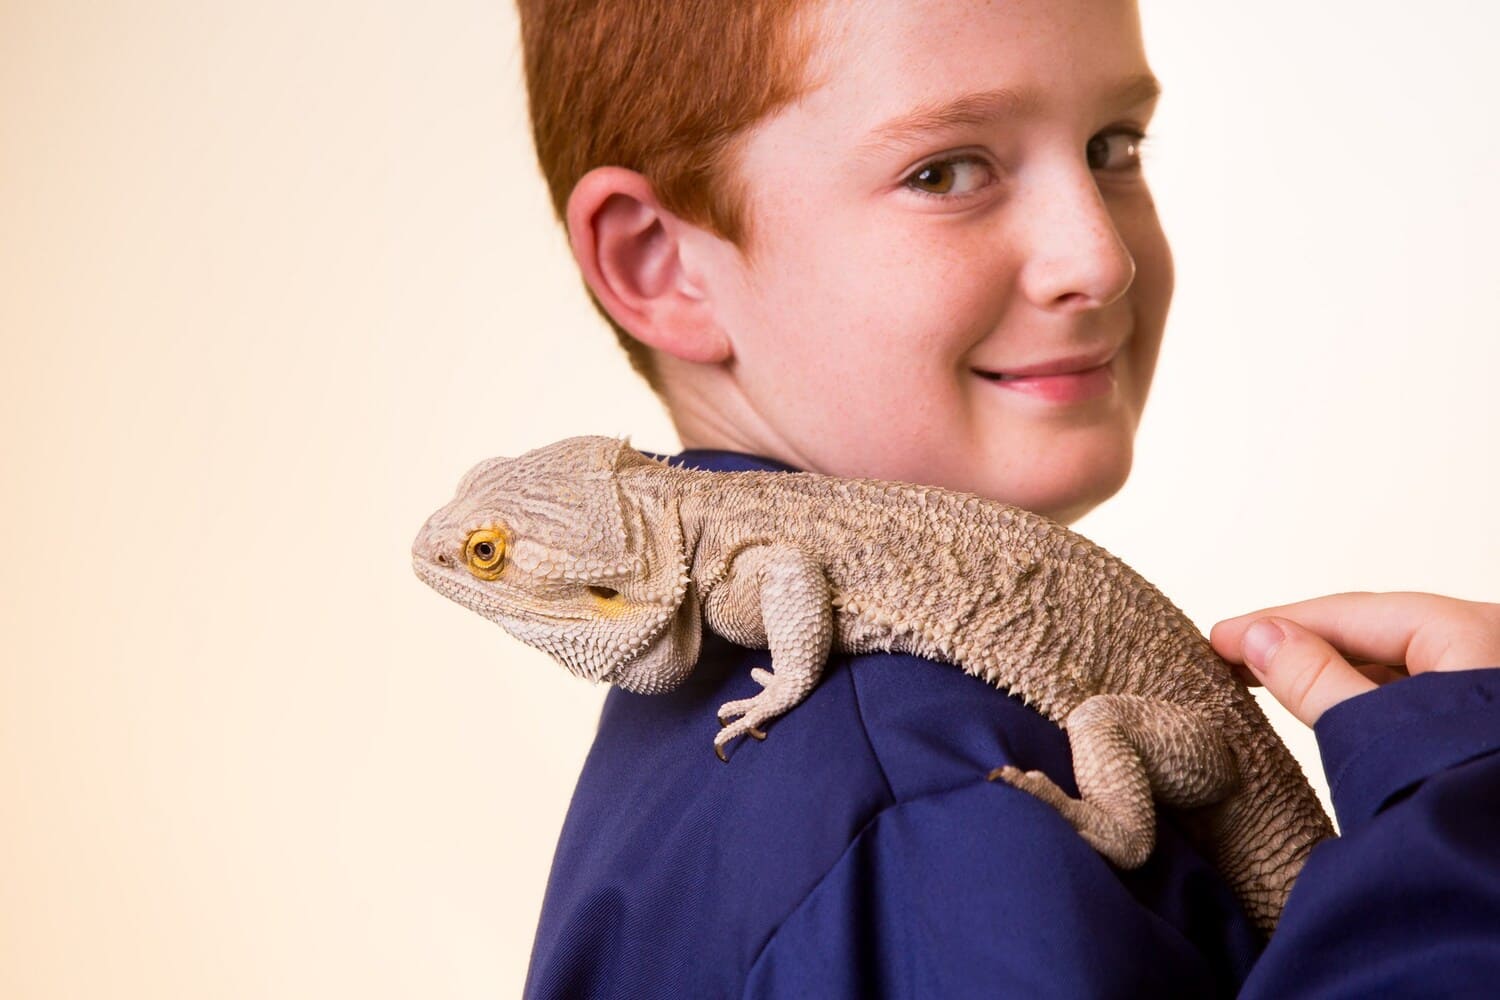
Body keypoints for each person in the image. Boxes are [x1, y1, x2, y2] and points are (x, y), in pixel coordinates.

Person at [514, 0, 1500, 995]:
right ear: (660, 261)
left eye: (1115, 143)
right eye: (942, 171)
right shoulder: (923, 801)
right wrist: (1462, 834)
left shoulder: (721, 745)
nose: (1099, 260)